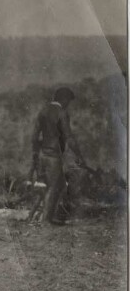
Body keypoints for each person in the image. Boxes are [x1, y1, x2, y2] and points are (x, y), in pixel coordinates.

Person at [29, 87, 87, 225]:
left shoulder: (43, 111)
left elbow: (34, 136)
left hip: (42, 153)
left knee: (49, 185)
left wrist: (36, 154)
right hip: (53, 155)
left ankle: (32, 215)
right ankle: (45, 220)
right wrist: (79, 156)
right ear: (64, 99)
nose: (68, 104)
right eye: (68, 101)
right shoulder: (62, 112)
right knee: (54, 187)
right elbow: (69, 138)